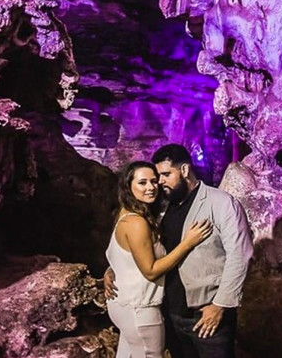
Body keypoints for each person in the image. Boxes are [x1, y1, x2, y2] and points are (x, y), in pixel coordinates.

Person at [105, 144, 255, 358]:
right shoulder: (162, 207)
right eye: (157, 176)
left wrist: (220, 305)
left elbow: (240, 256)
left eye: (165, 174)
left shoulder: (221, 203)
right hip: (170, 313)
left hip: (206, 314)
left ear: (184, 170)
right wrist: (114, 269)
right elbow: (141, 247)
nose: (159, 183)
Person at [107, 160, 215, 358]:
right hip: (140, 309)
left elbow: (123, 254)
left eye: (154, 181)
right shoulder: (136, 223)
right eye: (142, 183)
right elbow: (150, 270)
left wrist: (112, 269)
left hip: (124, 305)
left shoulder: (126, 213)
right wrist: (187, 243)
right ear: (128, 186)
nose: (151, 187)